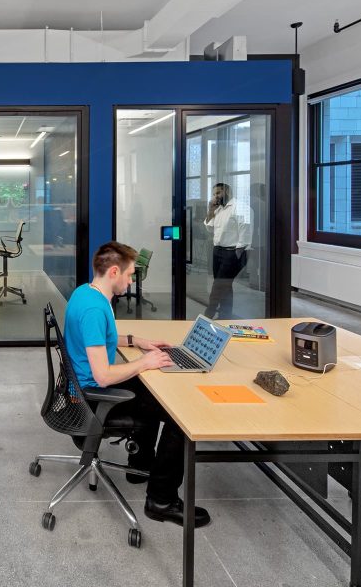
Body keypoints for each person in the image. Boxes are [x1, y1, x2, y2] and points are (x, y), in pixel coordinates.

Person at [62, 241, 212, 528]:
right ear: (114, 271)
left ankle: (140, 465)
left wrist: (136, 342)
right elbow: (104, 376)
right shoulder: (94, 309)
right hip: (92, 398)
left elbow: (98, 338)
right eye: (130, 275)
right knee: (180, 415)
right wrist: (144, 362)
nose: (131, 281)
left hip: (82, 389)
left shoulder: (86, 293)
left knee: (153, 391)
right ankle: (161, 500)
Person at [203, 182, 251, 319]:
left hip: (233, 252)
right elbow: (209, 228)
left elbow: (245, 230)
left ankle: (208, 314)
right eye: (213, 194)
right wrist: (210, 210)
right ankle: (225, 316)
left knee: (219, 285)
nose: (215, 197)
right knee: (225, 285)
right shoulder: (219, 209)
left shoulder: (240, 207)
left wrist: (238, 252)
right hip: (218, 250)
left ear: (227, 192)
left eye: (218, 193)